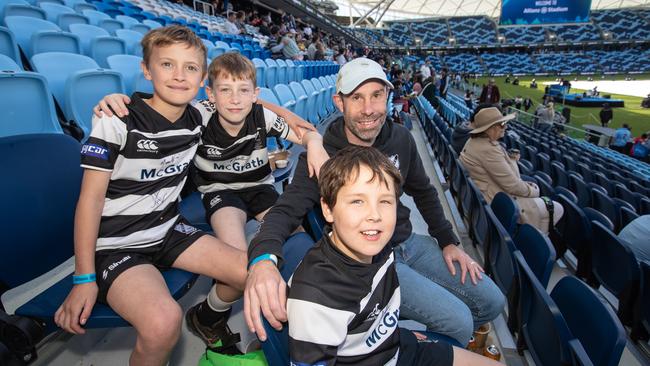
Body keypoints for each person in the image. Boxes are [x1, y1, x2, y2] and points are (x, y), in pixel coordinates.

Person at [245, 57, 505, 346]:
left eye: (377, 96)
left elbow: (425, 191)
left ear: (387, 97)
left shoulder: (401, 139)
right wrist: (262, 259)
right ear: (339, 103)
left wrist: (448, 241)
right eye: (357, 98)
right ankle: (390, 345)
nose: (368, 110)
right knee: (459, 321)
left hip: (408, 242)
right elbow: (285, 211)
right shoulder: (322, 156)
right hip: (369, 262)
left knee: (493, 302)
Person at [93, 51, 325, 350]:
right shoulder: (199, 114)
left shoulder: (260, 114)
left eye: (243, 91)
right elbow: (160, 108)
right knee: (240, 257)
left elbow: (303, 132)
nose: (235, 99)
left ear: (254, 94)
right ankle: (218, 316)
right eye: (225, 90)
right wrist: (115, 99)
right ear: (210, 94)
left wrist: (315, 142)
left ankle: (209, 312)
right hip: (220, 192)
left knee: (292, 241)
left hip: (260, 188)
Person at [54, 26, 249, 366]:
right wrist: (84, 278)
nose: (178, 76)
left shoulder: (200, 114)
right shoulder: (116, 120)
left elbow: (256, 105)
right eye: (167, 64)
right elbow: (89, 202)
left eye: (190, 67)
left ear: (202, 77)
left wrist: (312, 140)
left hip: (168, 230)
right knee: (163, 322)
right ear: (147, 70)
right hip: (117, 244)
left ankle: (208, 316)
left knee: (254, 273)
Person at [288, 146, 502, 366]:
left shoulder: (378, 247)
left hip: (398, 347)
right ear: (328, 209)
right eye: (357, 201)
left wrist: (395, 336)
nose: (375, 215)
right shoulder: (316, 298)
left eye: (385, 201)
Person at [459, 107, 563, 235]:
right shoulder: (489, 150)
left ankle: (534, 239)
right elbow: (513, 185)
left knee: (546, 207)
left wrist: (511, 160)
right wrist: (535, 190)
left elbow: (511, 178)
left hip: (488, 195)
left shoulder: (475, 142)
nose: (505, 127)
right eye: (502, 124)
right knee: (558, 208)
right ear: (490, 128)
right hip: (497, 201)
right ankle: (532, 241)